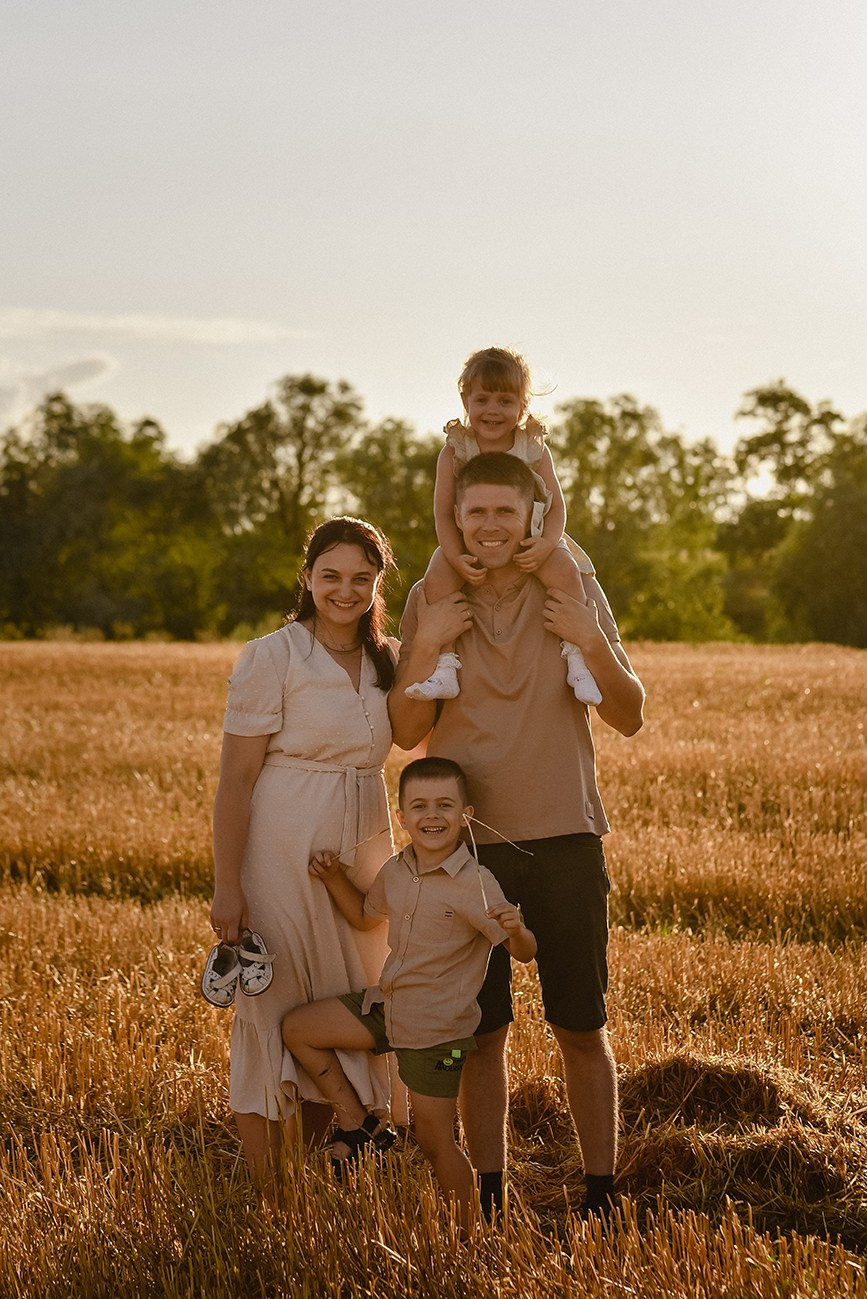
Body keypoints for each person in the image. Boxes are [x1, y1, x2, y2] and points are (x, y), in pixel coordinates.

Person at [389, 452, 645, 1222]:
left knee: (579, 1026)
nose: (490, 525)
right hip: (467, 852)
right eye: (476, 512)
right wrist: (425, 644)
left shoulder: (570, 585)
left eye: (505, 510)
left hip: (566, 837)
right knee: (481, 1034)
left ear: (531, 515)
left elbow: (628, 714)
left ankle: (598, 1195)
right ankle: (492, 1198)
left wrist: (587, 637)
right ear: (456, 518)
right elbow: (406, 730)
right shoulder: (431, 597)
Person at [208, 516, 400, 1189]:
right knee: (274, 1004)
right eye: (331, 576)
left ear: (376, 584)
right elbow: (235, 781)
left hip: (366, 843)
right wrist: (227, 885)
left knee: (342, 997)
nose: (345, 590)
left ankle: (327, 1161)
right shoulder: (272, 656)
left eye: (360, 578)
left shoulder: (391, 659)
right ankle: (268, 1184)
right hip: (281, 848)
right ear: (308, 577)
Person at [281, 756, 536, 1232]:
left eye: (444, 805)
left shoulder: (476, 883)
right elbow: (365, 916)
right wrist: (333, 877)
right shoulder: (396, 871)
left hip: (438, 1034)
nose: (431, 815)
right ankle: (360, 1123)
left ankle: (473, 1237)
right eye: (419, 806)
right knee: (298, 1029)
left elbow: (523, 953)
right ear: (400, 816)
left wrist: (518, 930)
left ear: (466, 815)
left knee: (435, 1140)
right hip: (388, 1007)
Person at [405, 346, 601, 707]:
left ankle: (576, 661)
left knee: (565, 570)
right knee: (437, 576)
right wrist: (455, 556)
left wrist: (547, 544)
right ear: (465, 400)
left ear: (522, 405)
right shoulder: (455, 450)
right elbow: (444, 514)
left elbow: (557, 507)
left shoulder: (533, 449)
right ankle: (445, 666)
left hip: (533, 539)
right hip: (470, 542)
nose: (492, 410)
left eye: (505, 400)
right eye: (482, 399)